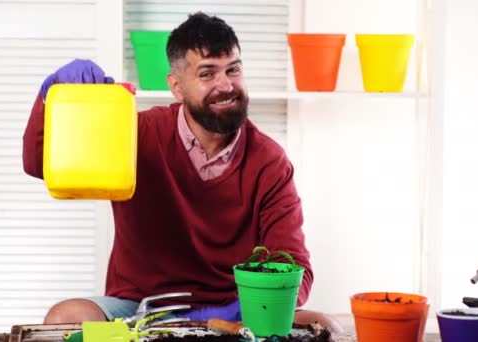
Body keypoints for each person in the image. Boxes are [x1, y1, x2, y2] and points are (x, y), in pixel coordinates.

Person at [22, 11, 342, 333]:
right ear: (176, 86)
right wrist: (50, 97)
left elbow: (292, 263)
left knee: (325, 325)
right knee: (64, 318)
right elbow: (40, 164)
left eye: (234, 69)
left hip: (234, 310)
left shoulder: (269, 161)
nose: (226, 85)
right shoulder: (136, 135)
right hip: (139, 307)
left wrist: (249, 307)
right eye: (207, 74)